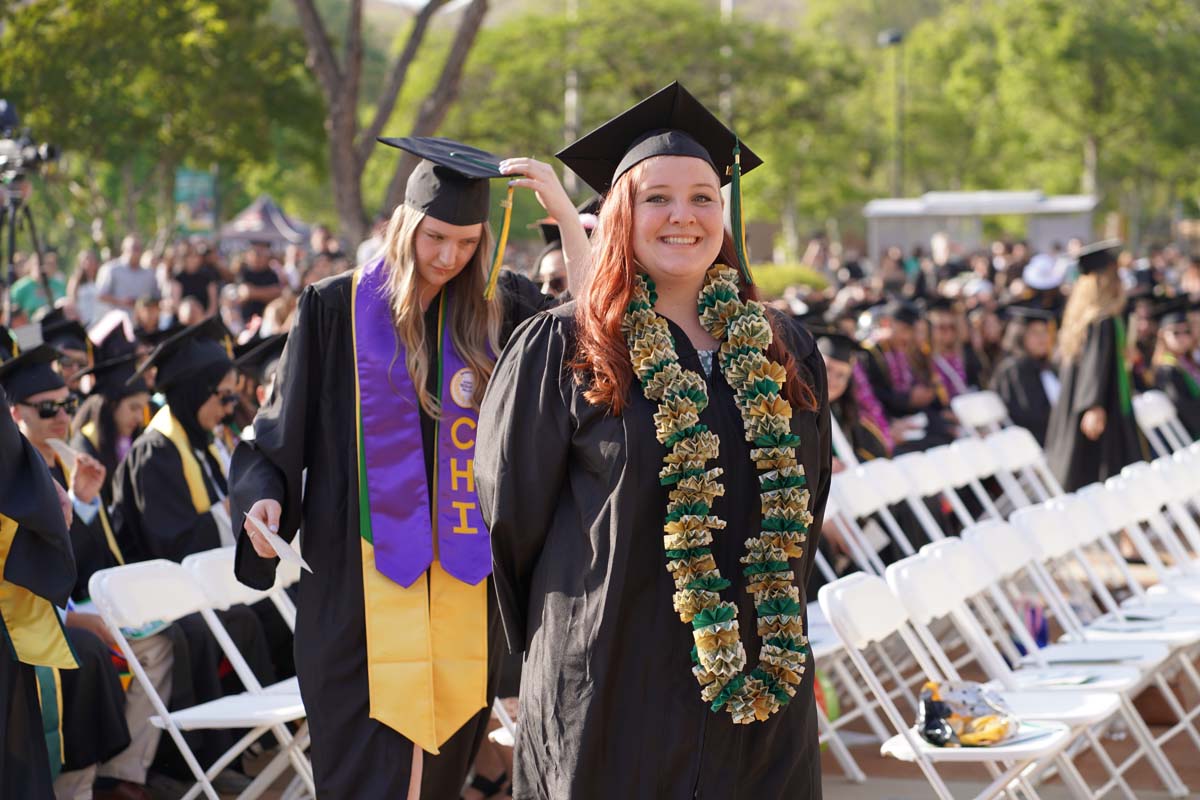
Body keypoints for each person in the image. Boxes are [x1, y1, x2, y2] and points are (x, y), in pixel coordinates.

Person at [476, 82, 830, 799]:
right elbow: (510, 518)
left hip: (757, 682)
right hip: (610, 680)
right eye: (657, 197)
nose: (683, 216)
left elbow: (808, 505)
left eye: (703, 197)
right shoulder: (566, 348)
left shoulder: (781, 347)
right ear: (618, 214)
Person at [231, 136, 587, 797]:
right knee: (367, 771)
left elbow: (591, 334)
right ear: (406, 224)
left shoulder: (500, 309)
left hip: (461, 588)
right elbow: (272, 439)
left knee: (440, 773)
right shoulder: (333, 310)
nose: (449, 257)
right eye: (435, 238)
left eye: (465, 241)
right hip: (355, 594)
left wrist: (566, 215)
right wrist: (263, 498)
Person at [1045, 240, 1145, 491]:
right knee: (1101, 473)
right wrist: (1094, 405)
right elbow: (1094, 365)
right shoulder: (1103, 321)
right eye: (1115, 275)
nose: (1120, 281)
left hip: (1086, 403)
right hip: (1102, 406)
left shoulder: (1081, 320)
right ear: (1104, 281)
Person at [990, 304, 1060, 445]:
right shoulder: (1014, 369)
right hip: (1034, 442)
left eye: (1044, 332)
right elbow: (1028, 415)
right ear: (1020, 336)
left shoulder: (1049, 367)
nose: (1042, 338)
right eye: (1034, 333)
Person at [1151, 298, 1200, 438]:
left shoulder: (1189, 361)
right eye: (1176, 333)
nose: (1183, 337)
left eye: (1187, 331)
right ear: (1162, 335)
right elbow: (1186, 409)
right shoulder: (1167, 369)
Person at [96, 236, 158, 319]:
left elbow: (156, 297)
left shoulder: (149, 274)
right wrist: (120, 301)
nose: (136, 252)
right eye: (133, 248)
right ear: (124, 249)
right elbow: (100, 295)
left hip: (142, 325)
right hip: (117, 322)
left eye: (138, 248)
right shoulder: (111, 269)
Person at [10, 248, 67, 318]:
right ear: (30, 266)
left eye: (43, 263)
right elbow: (12, 313)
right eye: (37, 264)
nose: (41, 267)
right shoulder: (19, 288)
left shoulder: (58, 285)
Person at [235, 241, 283, 323]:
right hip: (246, 321)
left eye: (263, 254)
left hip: (267, 320)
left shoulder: (272, 274)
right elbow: (243, 293)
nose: (260, 257)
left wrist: (253, 292)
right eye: (257, 253)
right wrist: (266, 293)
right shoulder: (244, 273)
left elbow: (277, 293)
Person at [67, 250, 103, 327]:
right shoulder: (76, 279)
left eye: (92, 259)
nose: (89, 262)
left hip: (99, 321)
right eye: (86, 259)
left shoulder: (100, 278)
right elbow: (71, 300)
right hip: (84, 322)